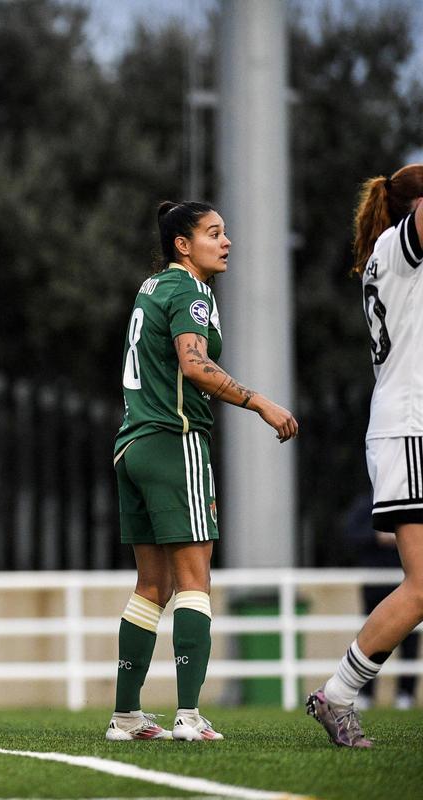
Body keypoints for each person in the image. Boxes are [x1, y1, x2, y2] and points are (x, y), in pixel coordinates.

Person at [108, 201, 297, 743]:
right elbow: (193, 363)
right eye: (214, 233)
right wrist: (261, 402)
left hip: (132, 444)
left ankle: (126, 717)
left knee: (153, 585)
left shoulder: (151, 287)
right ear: (183, 245)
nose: (226, 241)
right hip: (175, 440)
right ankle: (189, 717)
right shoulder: (190, 290)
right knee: (195, 582)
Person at [308, 164, 423, 748]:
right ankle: (338, 694)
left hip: (407, 427)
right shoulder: (398, 248)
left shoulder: (398, 260)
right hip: (409, 431)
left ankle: (338, 693)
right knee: (422, 587)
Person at [341, 492, 418, 711]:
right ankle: (363, 692)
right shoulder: (367, 503)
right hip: (375, 583)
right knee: (372, 635)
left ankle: (405, 694)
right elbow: (351, 533)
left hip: (404, 580)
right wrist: (378, 536)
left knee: (409, 639)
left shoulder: (411, 500)